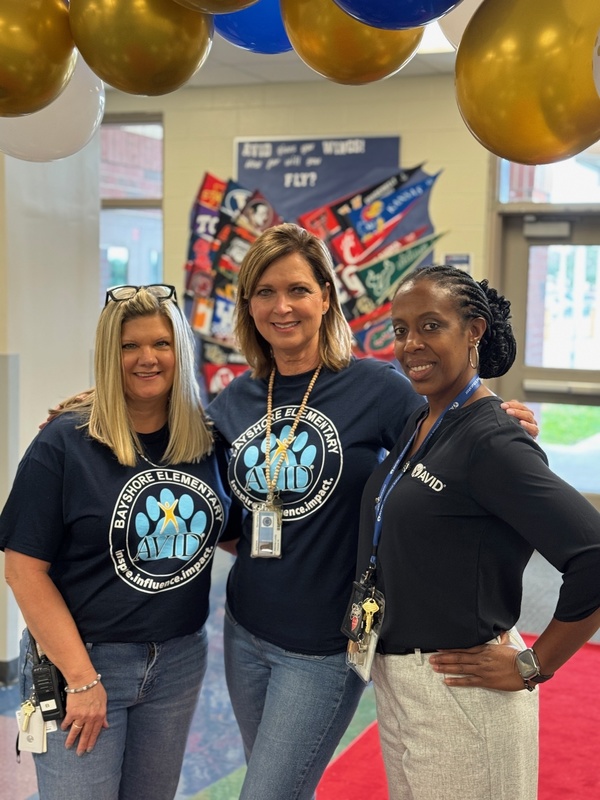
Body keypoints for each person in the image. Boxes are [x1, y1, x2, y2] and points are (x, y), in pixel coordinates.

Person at [205, 224, 539, 800]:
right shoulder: (233, 399)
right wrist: (93, 406)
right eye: (264, 292)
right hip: (244, 631)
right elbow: (191, 477)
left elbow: (454, 434)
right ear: (247, 306)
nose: (281, 306)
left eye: (298, 289)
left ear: (326, 297)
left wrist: (503, 425)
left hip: (326, 646)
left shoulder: (375, 388)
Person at [354, 264, 600, 800]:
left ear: (474, 331)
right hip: (402, 684)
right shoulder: (422, 422)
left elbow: (594, 556)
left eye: (430, 326)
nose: (411, 344)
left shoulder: (492, 440)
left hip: (462, 691)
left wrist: (535, 664)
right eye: (400, 330)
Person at [0, 285, 231, 800]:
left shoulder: (207, 439)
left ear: (181, 351)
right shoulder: (64, 441)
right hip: (82, 659)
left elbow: (232, 530)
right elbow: (22, 570)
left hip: (177, 662)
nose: (147, 358)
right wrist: (81, 678)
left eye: (161, 343)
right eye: (129, 346)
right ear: (109, 355)